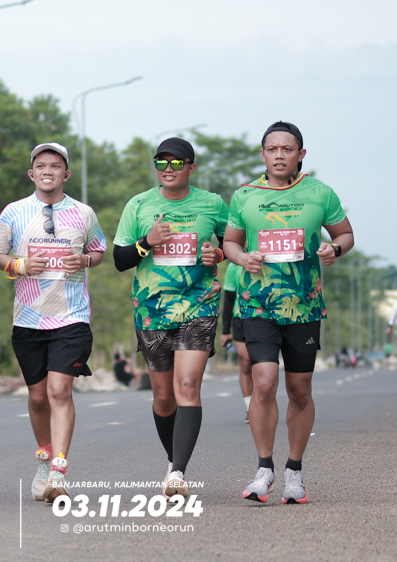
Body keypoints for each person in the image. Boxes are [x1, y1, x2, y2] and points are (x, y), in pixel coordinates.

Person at [224, 122, 354, 505]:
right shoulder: (245, 195)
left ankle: (294, 471)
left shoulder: (320, 193)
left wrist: (334, 249)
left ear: (301, 154)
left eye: (287, 149)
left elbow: (345, 234)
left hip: (304, 306)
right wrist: (242, 258)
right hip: (257, 303)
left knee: (299, 390)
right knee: (264, 382)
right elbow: (230, 242)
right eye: (272, 149)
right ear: (262, 154)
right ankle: (264, 469)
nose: (279, 155)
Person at [0, 142, 106, 502]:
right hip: (28, 318)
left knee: (59, 391)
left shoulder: (83, 213)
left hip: (71, 317)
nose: (47, 171)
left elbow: (98, 251)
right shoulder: (14, 211)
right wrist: (20, 265)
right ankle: (43, 460)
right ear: (31, 174)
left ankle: (58, 471)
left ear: (65, 174)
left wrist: (84, 261)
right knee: (38, 397)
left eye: (55, 166)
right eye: (41, 166)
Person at [113, 137, 228, 497]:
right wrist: (147, 241)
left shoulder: (212, 204)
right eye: (161, 162)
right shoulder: (139, 205)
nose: (168, 169)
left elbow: (233, 243)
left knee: (188, 386)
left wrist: (218, 254)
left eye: (176, 163)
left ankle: (177, 473)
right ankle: (172, 460)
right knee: (164, 398)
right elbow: (119, 260)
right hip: (152, 309)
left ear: (190, 168)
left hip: (199, 304)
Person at [221, 262, 252, 424]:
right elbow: (228, 300)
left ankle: (263, 404)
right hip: (240, 318)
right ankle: (250, 407)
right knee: (245, 361)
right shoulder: (234, 266)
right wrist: (225, 331)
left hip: (266, 318)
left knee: (263, 365)